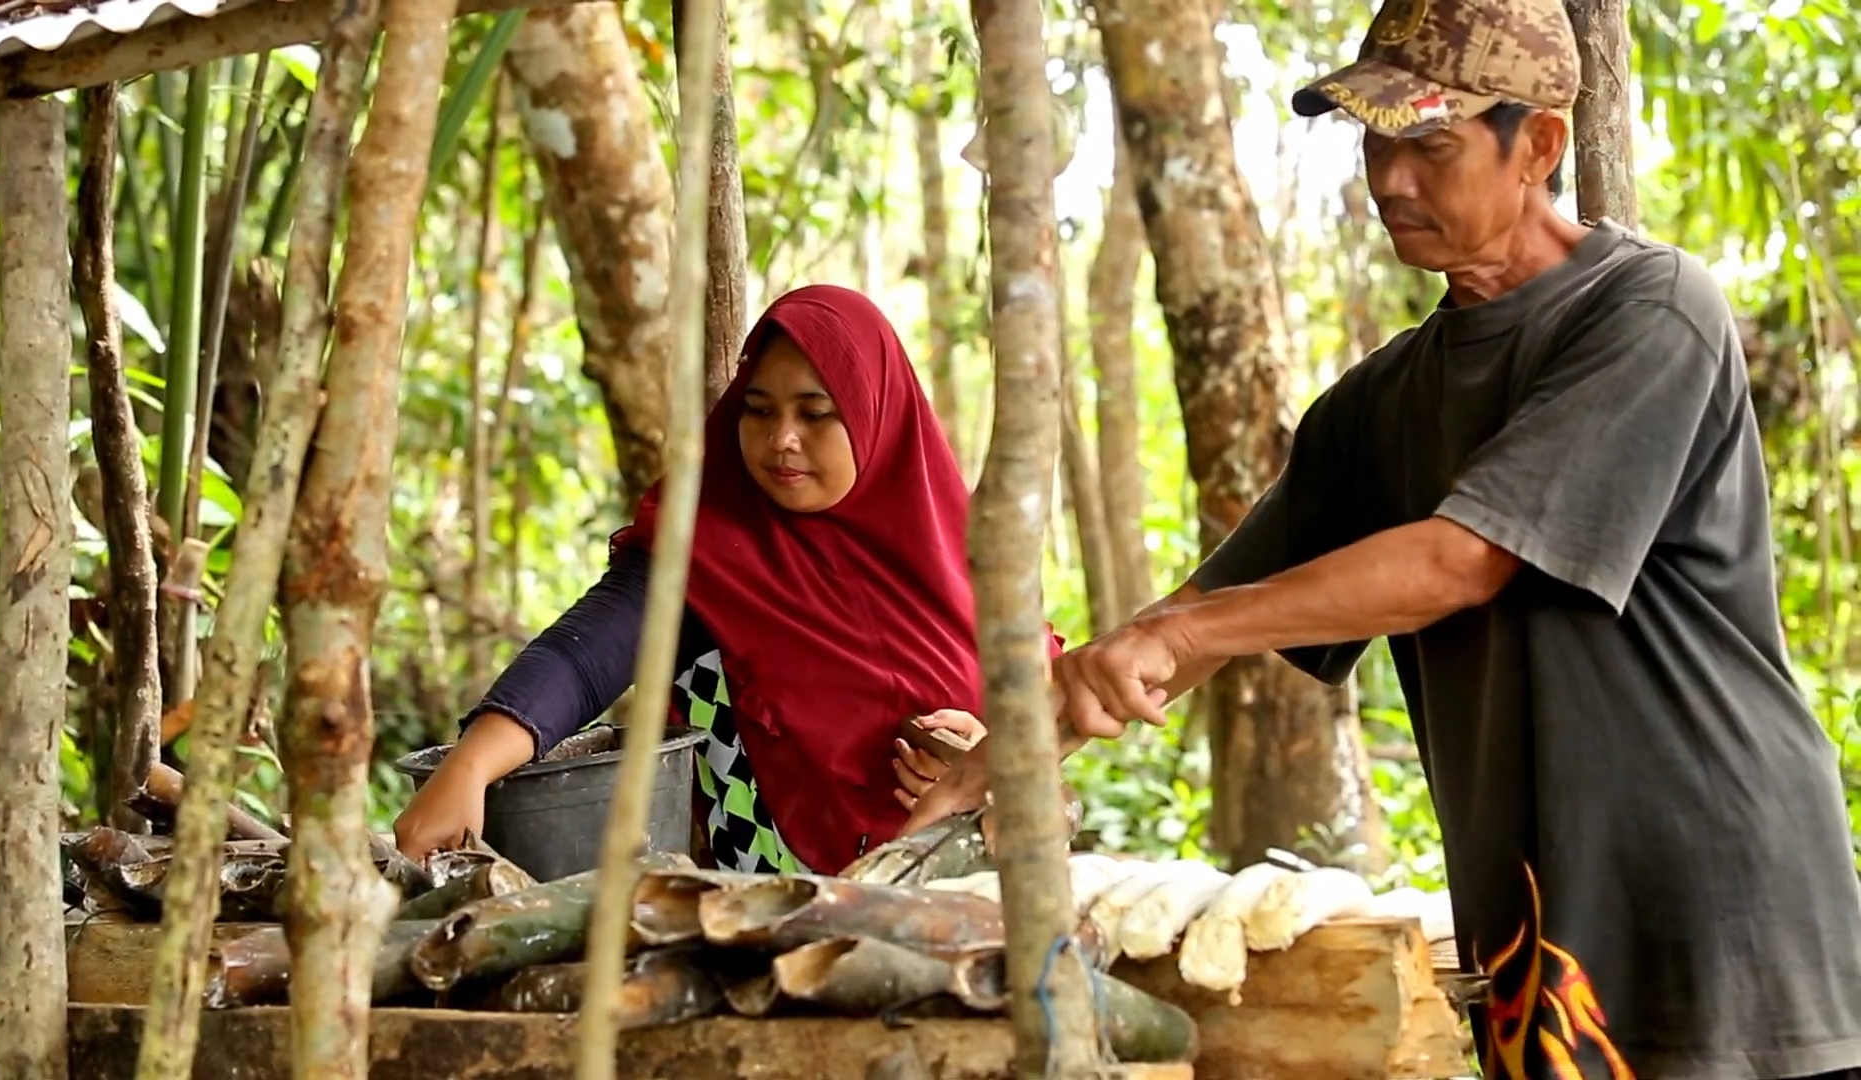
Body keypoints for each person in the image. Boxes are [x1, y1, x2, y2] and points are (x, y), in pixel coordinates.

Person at [905, 0, 1861, 1077]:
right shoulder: (1380, 404)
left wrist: (1178, 639)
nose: (1391, 179)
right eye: (1375, 140)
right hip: (1538, 910)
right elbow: (1192, 626)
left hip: (1714, 885)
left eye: (1431, 144)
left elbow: (1463, 559)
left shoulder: (1647, 309)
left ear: (1538, 145)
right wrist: (1006, 761)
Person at [396, 284, 1004, 876]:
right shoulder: (711, 548)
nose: (781, 439)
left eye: (815, 413)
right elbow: (583, 658)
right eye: (758, 409)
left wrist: (985, 752)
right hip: (786, 916)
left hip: (979, 896)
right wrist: (468, 767)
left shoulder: (963, 552)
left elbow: (1040, 709)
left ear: (878, 417)